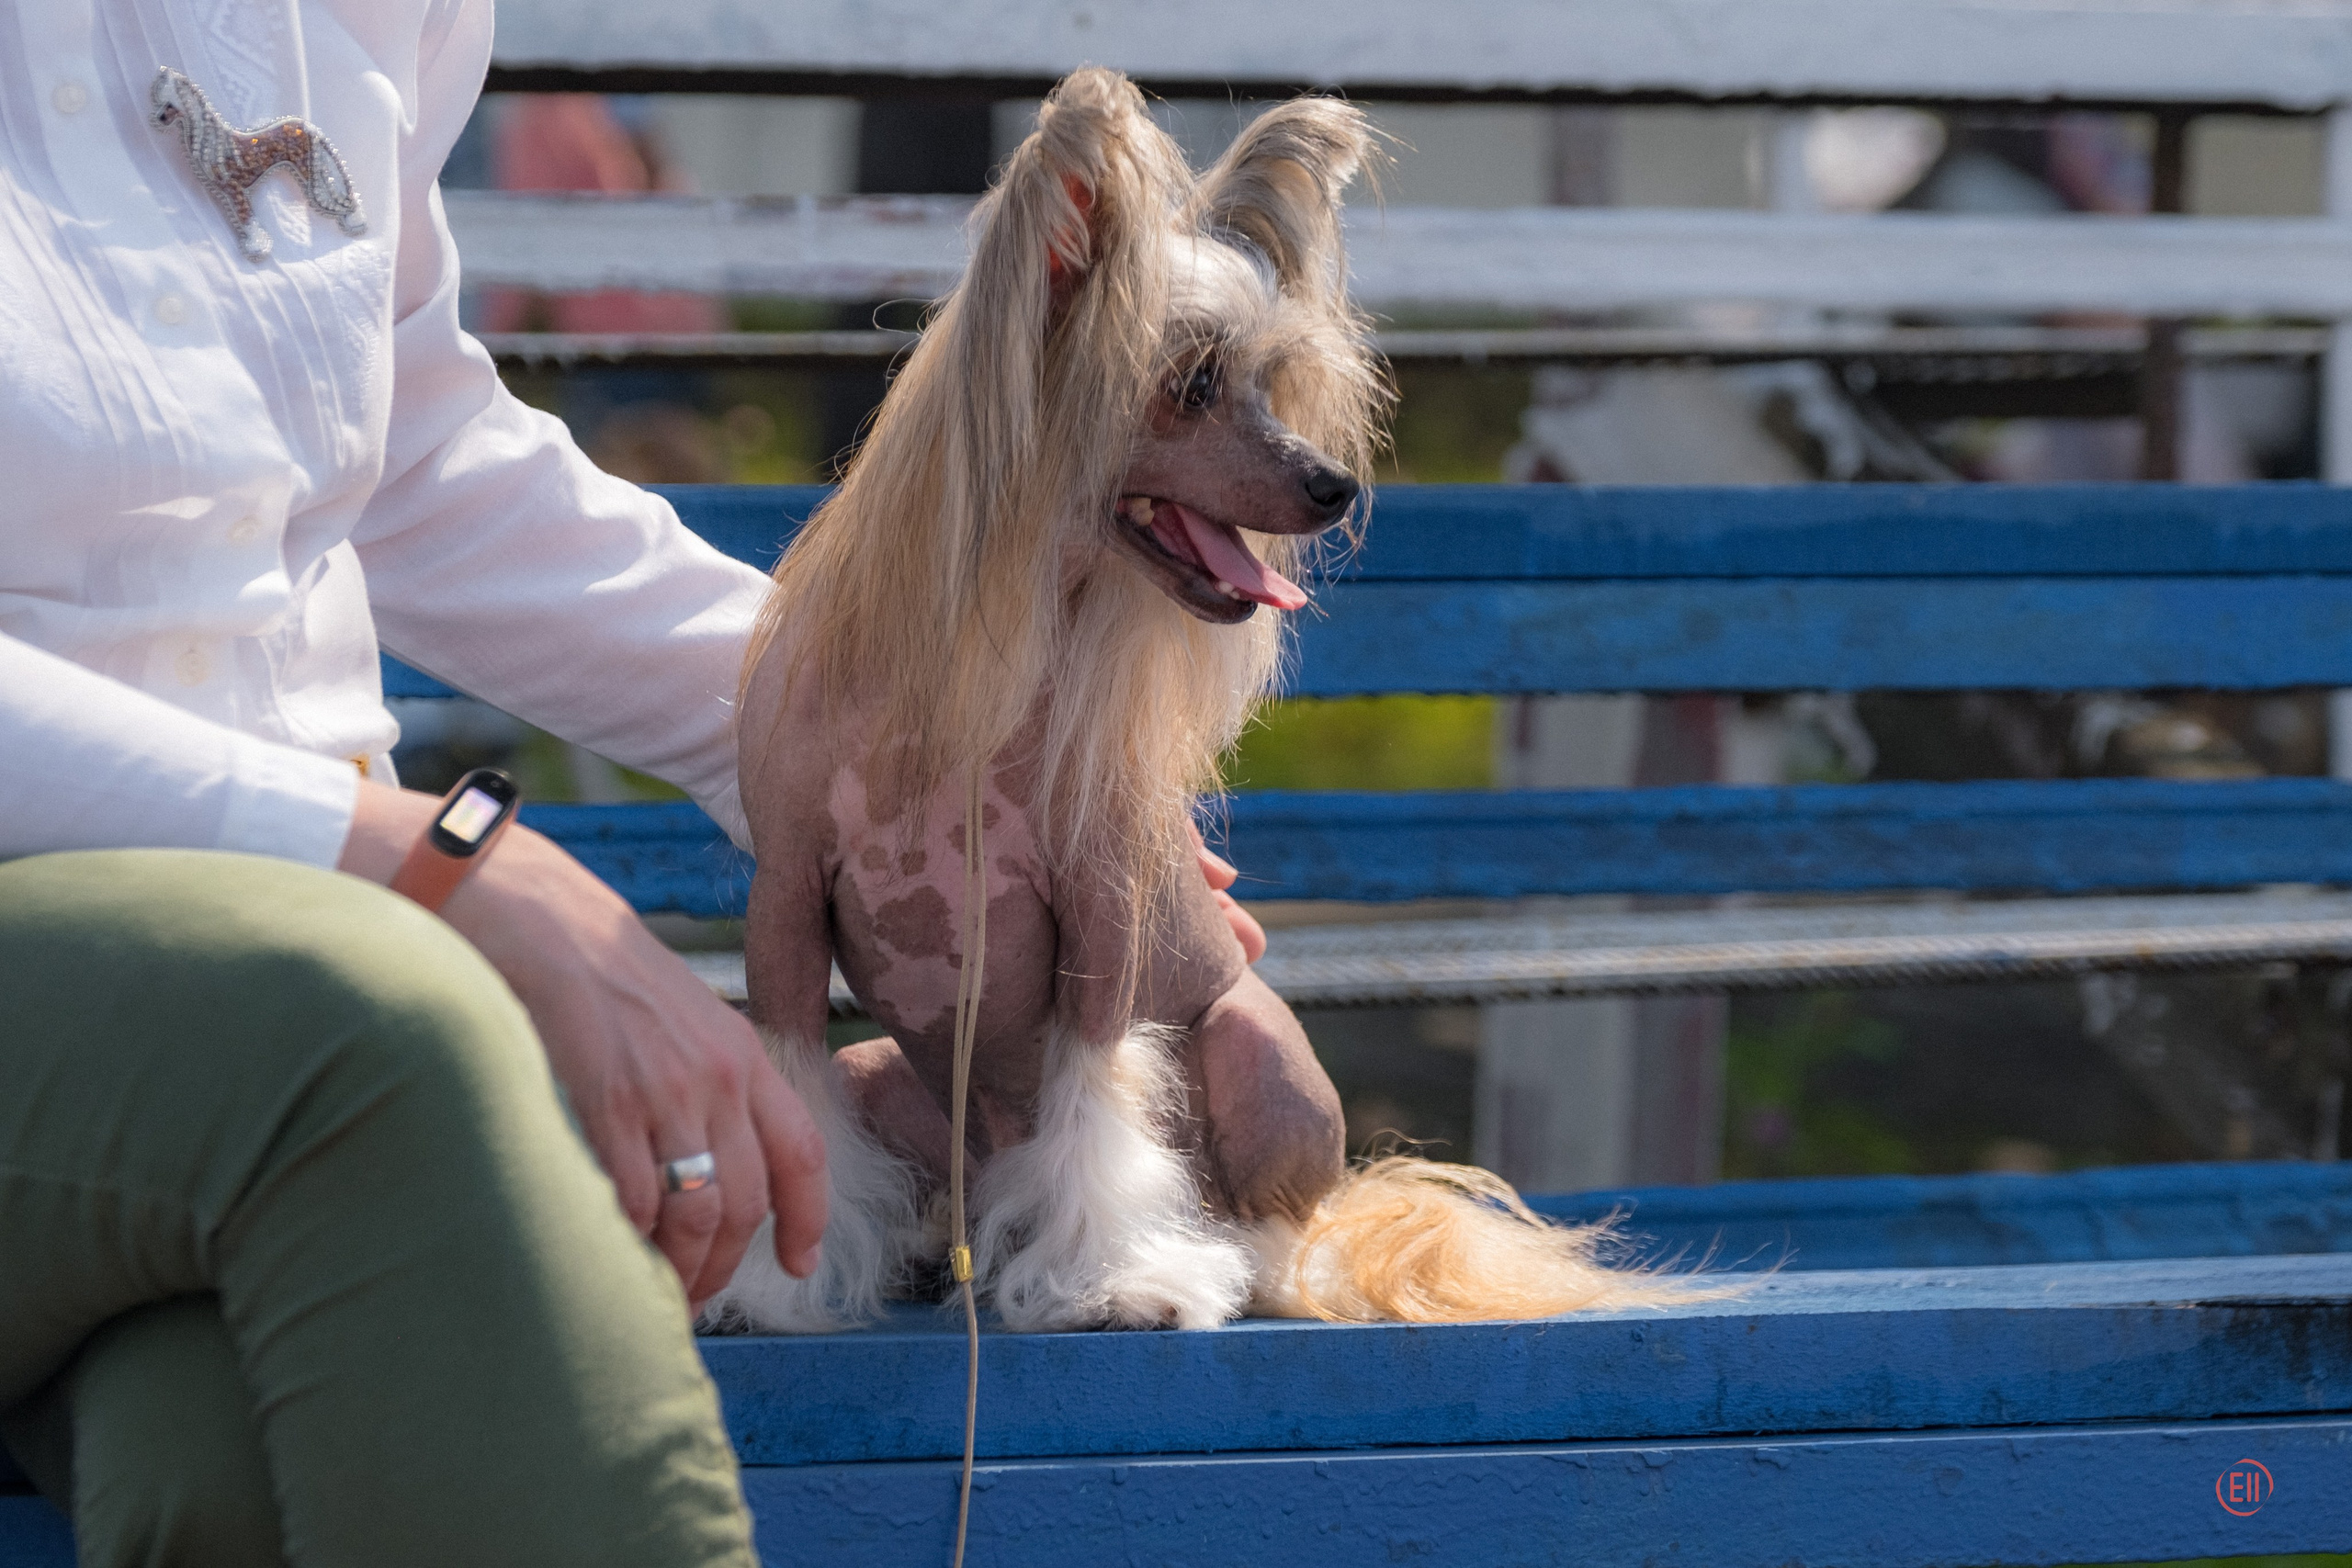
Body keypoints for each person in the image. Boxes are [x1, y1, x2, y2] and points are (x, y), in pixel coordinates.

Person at [0, 5, 1266, 1564]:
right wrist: (430, 864)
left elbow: (400, 459)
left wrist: (903, 745)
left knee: (251, 1453)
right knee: (396, 1049)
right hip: (271, 994)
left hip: (244, 1043)